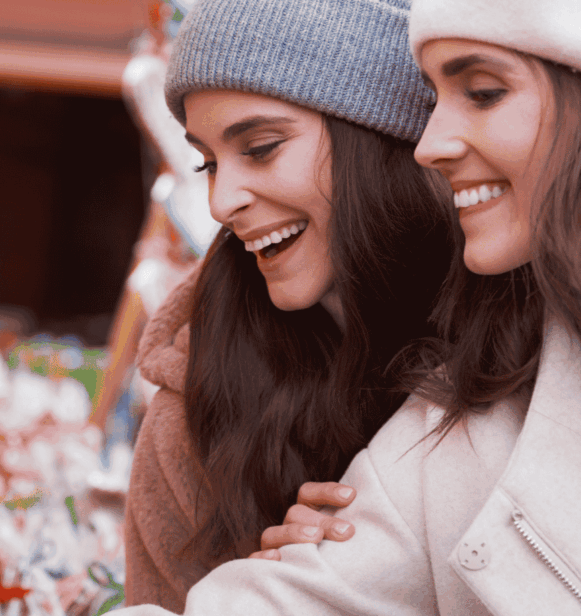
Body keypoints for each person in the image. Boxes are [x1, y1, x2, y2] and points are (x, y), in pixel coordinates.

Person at [115, 0, 581, 613]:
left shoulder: (503, 336)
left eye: (481, 92)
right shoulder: (456, 428)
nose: (430, 141)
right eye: (206, 164)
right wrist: (328, 560)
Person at [122, 0, 455, 610]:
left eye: (262, 146)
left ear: (383, 134)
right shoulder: (196, 417)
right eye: (208, 162)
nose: (222, 202)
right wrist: (263, 591)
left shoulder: (532, 346)